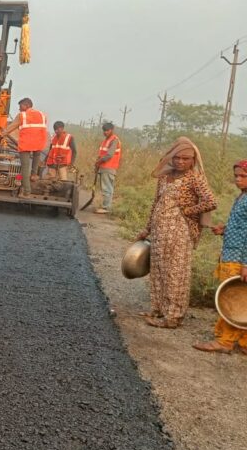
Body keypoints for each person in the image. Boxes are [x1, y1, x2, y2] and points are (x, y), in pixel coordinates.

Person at [134, 137, 217, 329]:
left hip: (180, 232)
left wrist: (188, 210)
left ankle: (173, 316)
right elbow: (156, 203)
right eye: (177, 157)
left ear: (192, 160)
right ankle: (158, 309)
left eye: (185, 158)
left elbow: (211, 201)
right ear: (171, 157)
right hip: (159, 231)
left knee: (175, 272)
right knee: (158, 269)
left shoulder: (195, 178)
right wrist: (147, 228)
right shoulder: (165, 176)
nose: (180, 161)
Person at [194, 160, 247, 353]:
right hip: (233, 253)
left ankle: (225, 341)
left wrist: (246, 264)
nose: (238, 179)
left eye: (243, 176)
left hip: (239, 258)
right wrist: (225, 229)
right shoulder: (242, 196)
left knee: (232, 299)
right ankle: (244, 342)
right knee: (243, 298)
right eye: (236, 176)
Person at [2, 97, 48, 197]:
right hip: (39, 144)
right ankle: (34, 175)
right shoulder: (42, 115)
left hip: (26, 144)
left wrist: (1, 134)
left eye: (21, 106)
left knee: (25, 168)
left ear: (27, 105)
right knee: (35, 162)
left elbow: (11, 127)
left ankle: (26, 191)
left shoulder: (22, 115)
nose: (19, 109)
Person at [93, 122, 122, 214]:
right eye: (104, 131)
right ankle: (105, 206)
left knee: (107, 188)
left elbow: (109, 155)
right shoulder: (106, 140)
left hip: (109, 167)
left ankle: (106, 208)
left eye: (107, 130)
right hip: (103, 167)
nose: (105, 132)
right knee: (105, 187)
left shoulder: (114, 140)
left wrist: (99, 162)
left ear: (112, 130)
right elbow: (102, 154)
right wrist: (97, 164)